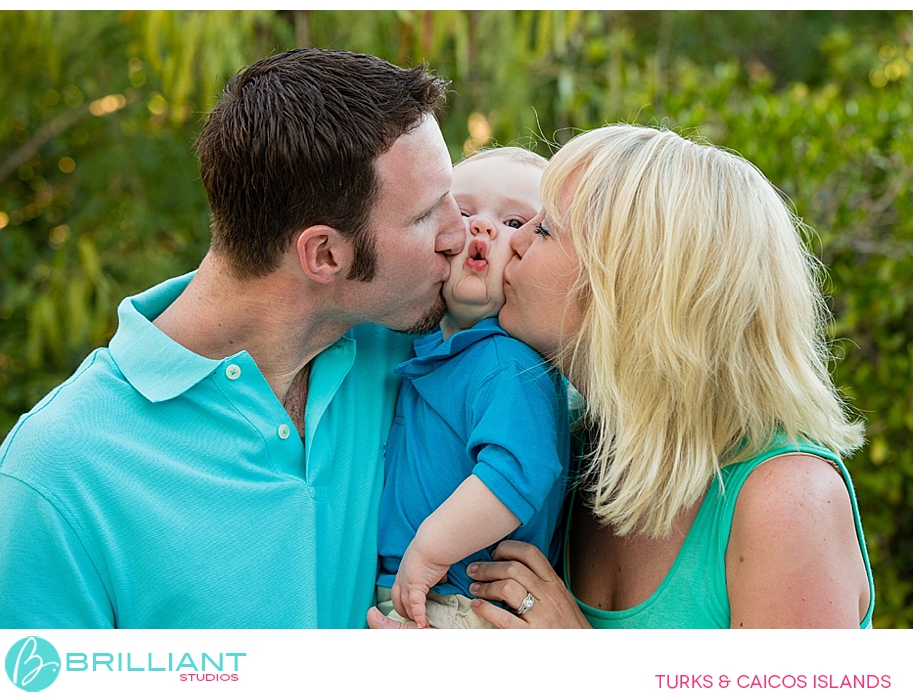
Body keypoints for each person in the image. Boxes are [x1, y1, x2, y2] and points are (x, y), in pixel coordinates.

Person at [0, 48, 466, 629]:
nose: (461, 233)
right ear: (324, 254)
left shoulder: (415, 350)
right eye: (428, 215)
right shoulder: (56, 478)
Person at [371, 124, 874, 630]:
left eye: (542, 229)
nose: (514, 241)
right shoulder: (581, 454)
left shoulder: (788, 502)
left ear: (629, 285)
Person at [372, 148, 571, 629]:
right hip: (422, 590)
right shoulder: (432, 344)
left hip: (461, 602)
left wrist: (430, 547)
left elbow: (520, 469)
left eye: (516, 222)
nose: (482, 228)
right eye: (462, 213)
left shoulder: (509, 365)